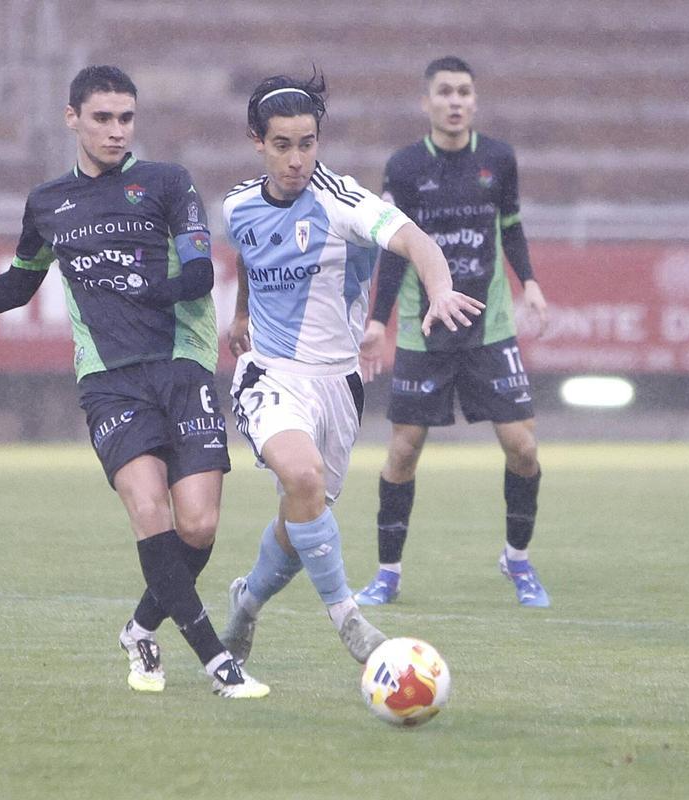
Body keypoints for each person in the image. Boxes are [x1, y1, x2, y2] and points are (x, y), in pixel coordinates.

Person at [0, 65, 268, 698]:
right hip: (108, 380)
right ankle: (218, 663)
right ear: (72, 118)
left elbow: (199, 274)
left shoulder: (167, 182)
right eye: (103, 118)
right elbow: (16, 285)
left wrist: (144, 291)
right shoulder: (48, 203)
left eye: (126, 118)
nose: (116, 131)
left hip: (182, 365)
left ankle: (140, 627)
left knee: (197, 527)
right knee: (148, 508)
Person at [217, 72, 484, 667]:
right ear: (256, 141)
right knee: (303, 478)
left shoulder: (345, 203)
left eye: (307, 143)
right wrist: (240, 316)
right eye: (282, 144)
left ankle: (246, 606)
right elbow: (248, 250)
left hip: (339, 383)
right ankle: (350, 620)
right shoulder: (237, 203)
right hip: (271, 372)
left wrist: (439, 289)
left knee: (302, 512)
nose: (296, 159)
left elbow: (417, 241)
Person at [354, 56, 552, 608]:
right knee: (403, 453)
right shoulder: (405, 166)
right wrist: (378, 321)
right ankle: (387, 573)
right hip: (425, 333)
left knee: (524, 447)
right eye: (445, 92)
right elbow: (396, 250)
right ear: (428, 102)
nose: (455, 100)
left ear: (475, 100)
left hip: (490, 329)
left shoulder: (498, 159)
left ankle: (517, 560)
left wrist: (529, 282)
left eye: (464, 91)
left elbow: (510, 227)